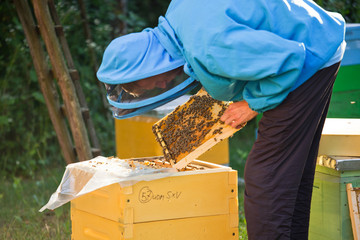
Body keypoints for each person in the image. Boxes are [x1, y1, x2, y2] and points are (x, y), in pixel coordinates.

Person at [97, 0, 346, 239]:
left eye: (157, 80)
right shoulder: (179, 21)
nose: (164, 84)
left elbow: (290, 60)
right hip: (317, 41)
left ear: (150, 63)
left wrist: (252, 104)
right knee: (289, 172)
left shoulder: (209, 46)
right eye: (158, 86)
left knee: (266, 177)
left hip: (310, 57)